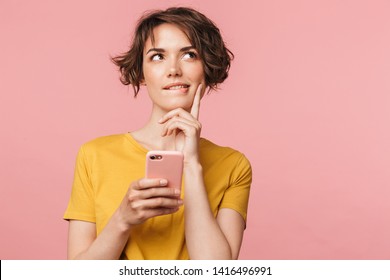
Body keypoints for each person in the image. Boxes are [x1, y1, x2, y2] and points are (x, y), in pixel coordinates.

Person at [64, 7, 252, 260]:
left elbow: (216, 271)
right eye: (157, 57)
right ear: (141, 73)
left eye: (189, 55)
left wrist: (191, 164)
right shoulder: (94, 155)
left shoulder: (233, 165)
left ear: (207, 68)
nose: (173, 69)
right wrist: (122, 219)